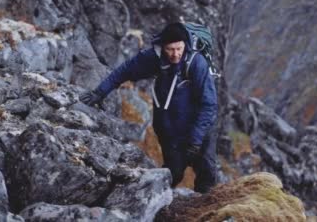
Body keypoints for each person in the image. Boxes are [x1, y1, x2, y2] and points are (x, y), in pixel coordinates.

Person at [79, 22, 218, 193]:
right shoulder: (153, 57)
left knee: (207, 174)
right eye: (170, 49)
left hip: (200, 128)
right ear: (163, 47)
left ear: (185, 45)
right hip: (170, 129)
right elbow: (125, 70)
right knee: (172, 173)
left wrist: (196, 140)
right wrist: (99, 92)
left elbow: (209, 104)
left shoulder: (197, 63)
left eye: (179, 48)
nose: (175, 54)